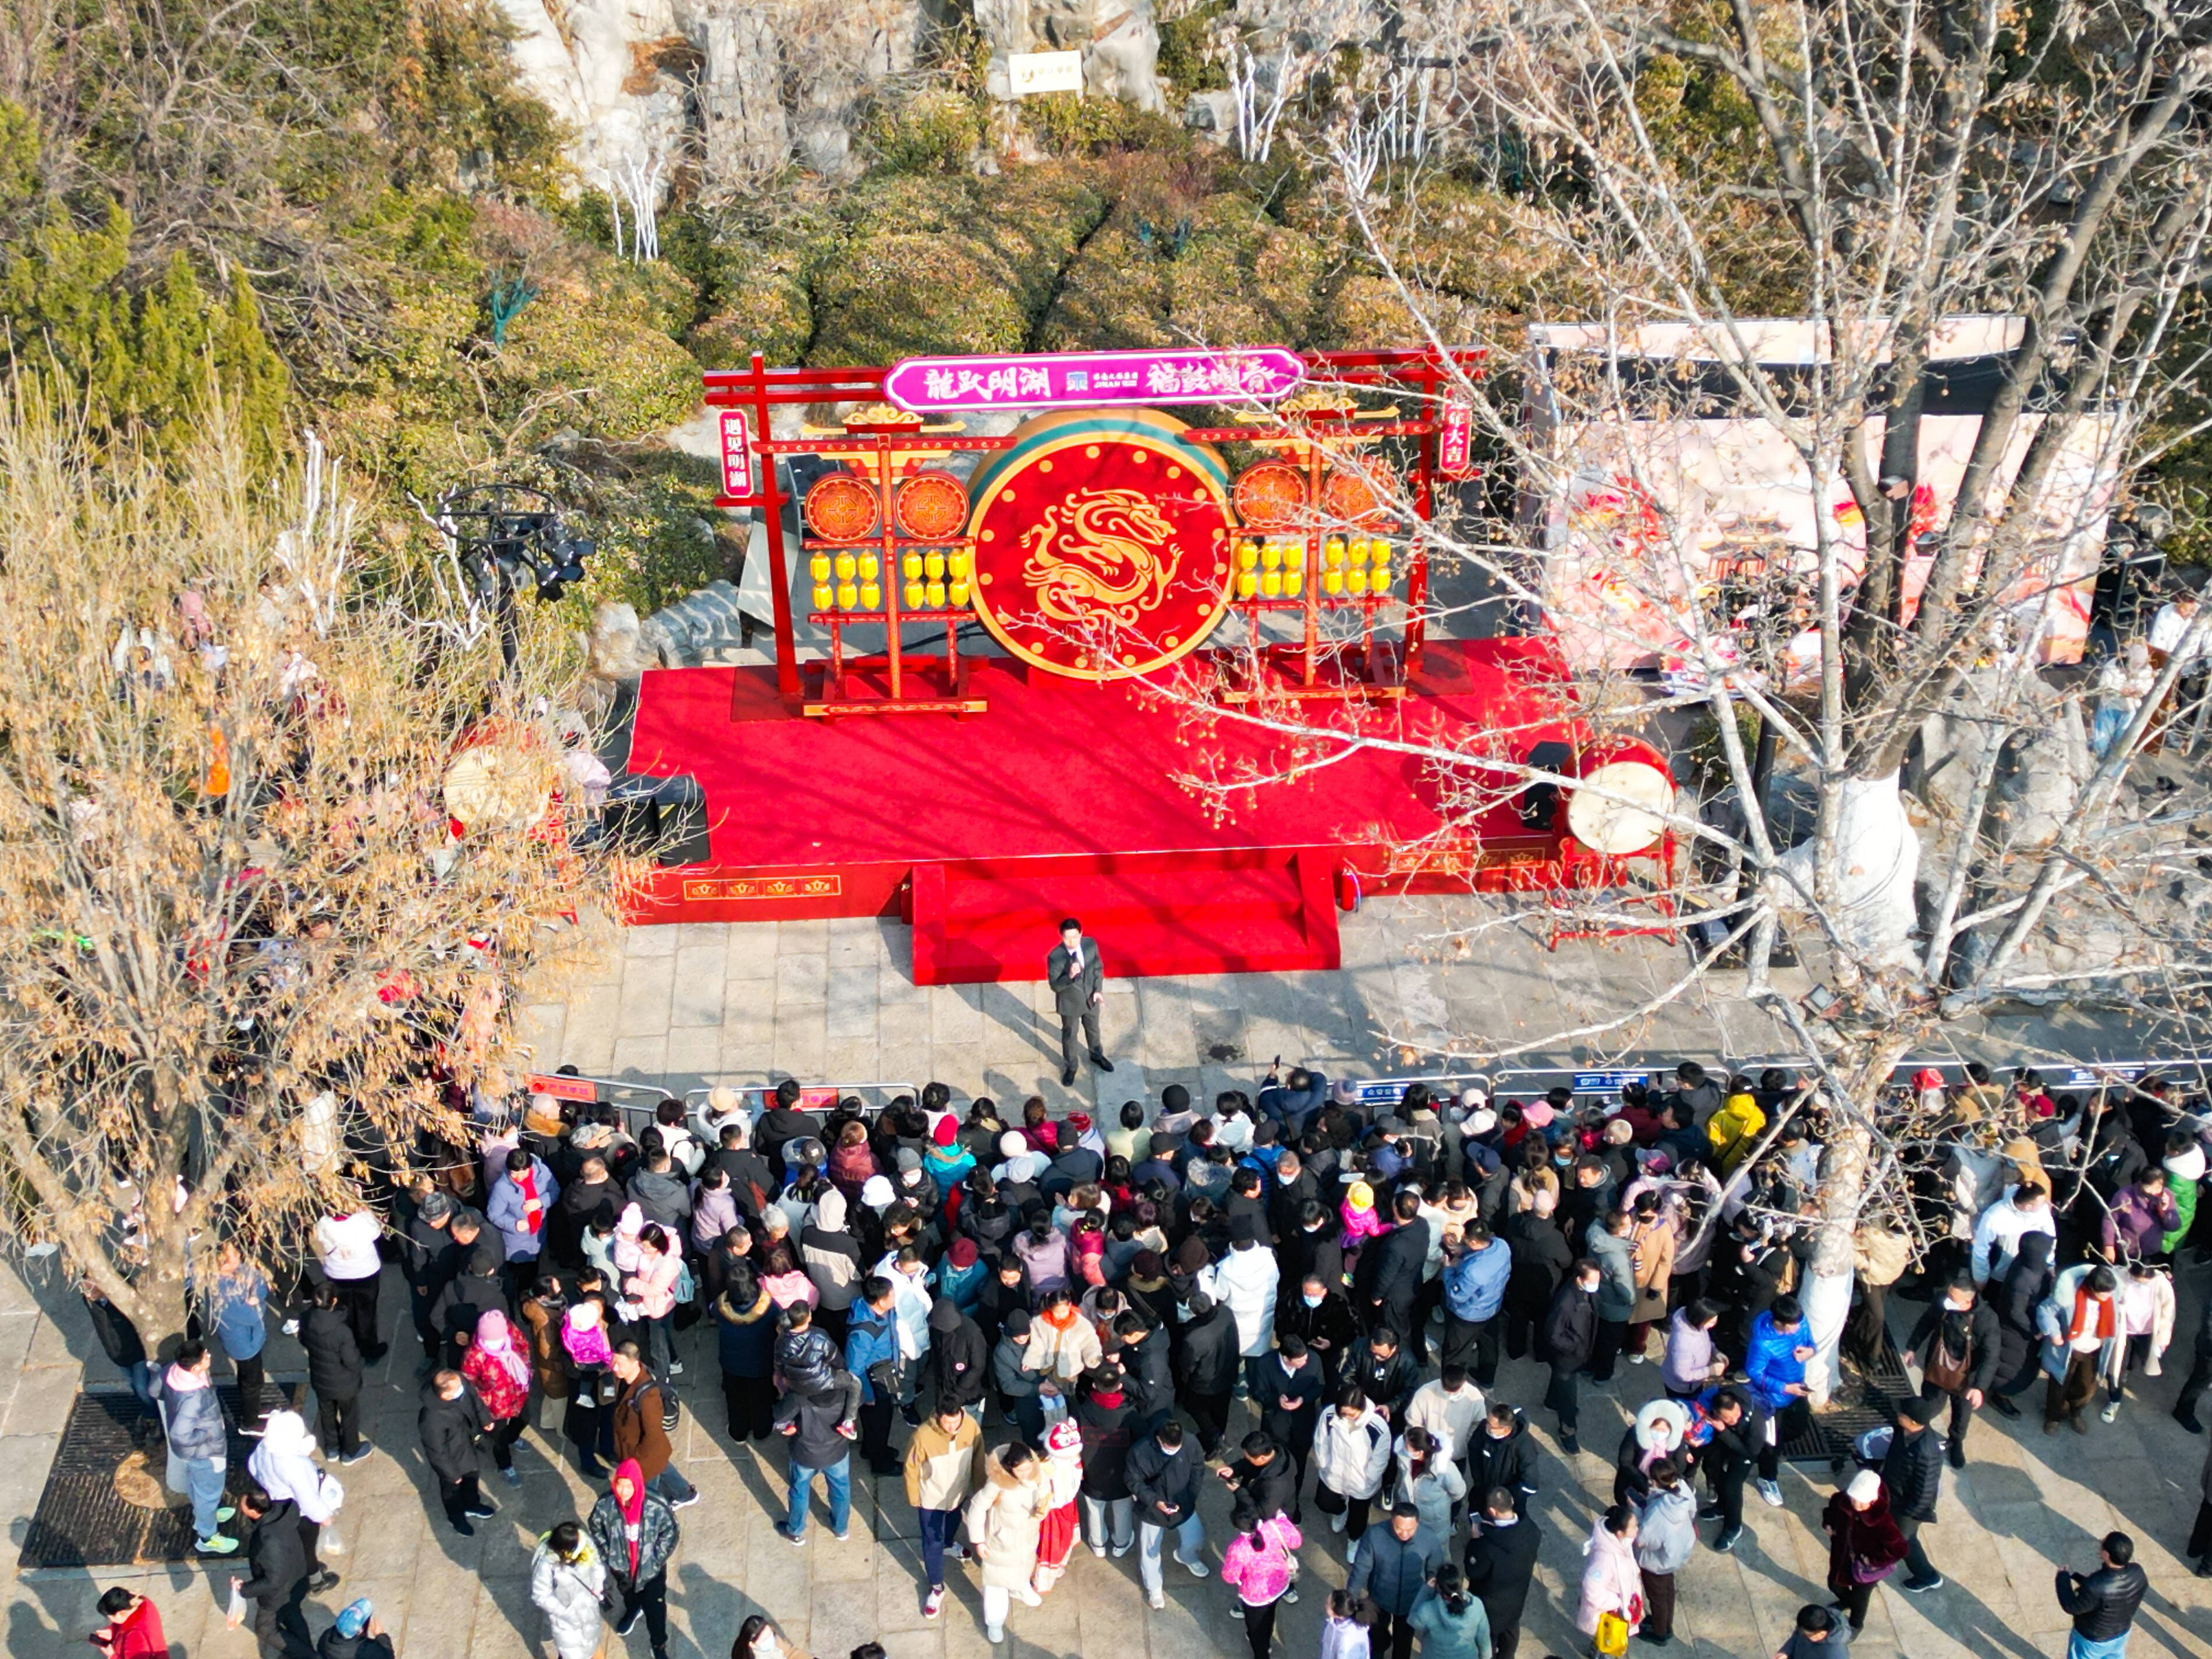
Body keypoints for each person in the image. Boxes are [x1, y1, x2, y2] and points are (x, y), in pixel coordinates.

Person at [1903, 1274, 2000, 1468]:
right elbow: (1926, 1322)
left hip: (1966, 1377)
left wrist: (1979, 1387)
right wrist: (1912, 1347)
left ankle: (1956, 1443)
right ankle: (1920, 1432)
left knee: (1961, 1414)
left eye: (1953, 1299)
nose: (1948, 1300)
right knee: (1929, 1404)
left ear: (1967, 1303)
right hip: (1938, 1366)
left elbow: (1991, 1356)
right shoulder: (1942, 1302)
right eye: (1948, 1295)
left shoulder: (1987, 1320)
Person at [586, 1459, 679, 1659]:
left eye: (629, 1485)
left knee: (656, 1611)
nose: (624, 1491)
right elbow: (595, 1527)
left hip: (651, 1572)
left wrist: (656, 1558)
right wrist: (608, 1555)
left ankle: (658, 1645)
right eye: (621, 1484)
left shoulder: (655, 1505)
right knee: (629, 1596)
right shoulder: (606, 1505)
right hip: (623, 1571)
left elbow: (671, 1531)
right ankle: (634, 1609)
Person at [155, 1340, 238, 1555]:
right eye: (206, 1356)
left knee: (198, 1485)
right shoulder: (194, 1398)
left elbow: (153, 1389)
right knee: (209, 1492)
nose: (209, 1356)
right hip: (207, 1452)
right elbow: (180, 1435)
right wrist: (206, 1434)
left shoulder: (171, 1370)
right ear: (196, 1367)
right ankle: (208, 1536)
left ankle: (206, 1514)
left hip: (194, 1454)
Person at [965, 1442, 1050, 1644]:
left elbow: (1045, 1493)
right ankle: (994, 1622)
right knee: (996, 1582)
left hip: (1027, 1537)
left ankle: (1020, 1588)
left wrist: (1043, 1508)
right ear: (1010, 1467)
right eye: (1021, 1470)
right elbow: (977, 1508)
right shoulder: (997, 1484)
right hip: (1000, 1541)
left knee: (1025, 1566)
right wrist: (979, 1541)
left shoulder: (1038, 1475)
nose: (1026, 1473)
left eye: (1029, 1468)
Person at [247, 1410, 341, 1594]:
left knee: (297, 1545)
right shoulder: (294, 1465)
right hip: (299, 1512)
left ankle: (307, 1569)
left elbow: (252, 1465)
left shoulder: (264, 1449)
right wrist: (325, 1517)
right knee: (306, 1547)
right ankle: (315, 1580)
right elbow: (309, 1499)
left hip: (277, 1505)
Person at [903, 1401, 981, 1618]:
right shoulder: (923, 1436)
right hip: (931, 1499)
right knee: (931, 1542)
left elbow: (978, 1458)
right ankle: (936, 1586)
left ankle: (949, 1544)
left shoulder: (971, 1426)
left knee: (954, 1522)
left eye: (956, 1422)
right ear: (938, 1417)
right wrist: (914, 1496)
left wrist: (980, 1489)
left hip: (958, 1493)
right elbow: (911, 1467)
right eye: (947, 1423)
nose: (952, 1427)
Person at [774, 1367, 863, 1545]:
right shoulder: (844, 1391)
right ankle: (841, 1529)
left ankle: (796, 1531)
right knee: (841, 1489)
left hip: (805, 1454)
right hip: (837, 1452)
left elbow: (779, 1417)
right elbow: (859, 1398)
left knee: (799, 1491)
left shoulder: (798, 1397)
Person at [1128, 1419, 1209, 1608]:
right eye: (1169, 1446)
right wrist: (1155, 1501)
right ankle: (1154, 1588)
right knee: (1150, 1550)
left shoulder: (1191, 1443)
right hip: (1152, 1510)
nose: (1173, 1450)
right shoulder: (1140, 1451)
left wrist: (1191, 1495)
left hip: (1183, 1504)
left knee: (1195, 1538)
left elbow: (1198, 1467)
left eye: (1177, 1447)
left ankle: (1187, 1556)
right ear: (1159, 1439)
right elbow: (1133, 1481)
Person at [1348, 1502, 1443, 1659]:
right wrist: (1350, 1600)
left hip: (1411, 1603)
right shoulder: (1375, 1535)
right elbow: (1361, 1569)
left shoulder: (1429, 1539)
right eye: (1399, 1528)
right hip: (1379, 1600)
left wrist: (1434, 1602)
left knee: (1403, 1645)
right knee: (1376, 1642)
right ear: (1392, 1521)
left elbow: (1434, 1572)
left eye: (1410, 1529)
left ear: (1417, 1524)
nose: (1404, 1534)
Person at [229, 1484, 314, 1659]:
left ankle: (309, 1656)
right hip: (297, 1579)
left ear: (253, 1512)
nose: (241, 1506)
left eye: (244, 1504)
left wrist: (245, 1589)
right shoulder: (285, 1512)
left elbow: (273, 1580)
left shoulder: (267, 1542)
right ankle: (305, 1652)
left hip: (279, 1594)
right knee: (293, 1615)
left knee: (265, 1629)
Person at [1743, 1295, 1814, 1504]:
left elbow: (1810, 1341)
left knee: (1800, 1427)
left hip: (1798, 1388)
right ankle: (1767, 1478)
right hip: (1772, 1399)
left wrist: (1810, 1350)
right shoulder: (1763, 1343)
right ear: (1779, 1323)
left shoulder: (1799, 1322)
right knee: (1771, 1444)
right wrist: (1784, 1388)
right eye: (1792, 1326)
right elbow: (1755, 1372)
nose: (1797, 1329)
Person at [609, 1341, 698, 1506]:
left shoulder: (648, 1396)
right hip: (651, 1454)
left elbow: (653, 1434)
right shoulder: (624, 1379)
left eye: (620, 1364)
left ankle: (655, 1514)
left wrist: (637, 1460)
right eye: (613, 1362)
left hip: (644, 1459)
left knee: (647, 1496)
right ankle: (685, 1494)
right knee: (662, 1467)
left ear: (635, 1363)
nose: (615, 1368)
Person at [1821, 1469, 1906, 1635]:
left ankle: (1856, 1625)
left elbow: (1899, 1550)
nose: (1856, 1506)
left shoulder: (1884, 1522)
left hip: (1866, 1569)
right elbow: (1830, 1511)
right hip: (1842, 1555)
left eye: (1862, 1503)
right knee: (1835, 1585)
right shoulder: (1842, 1500)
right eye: (1854, 1500)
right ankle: (1846, 1602)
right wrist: (1829, 1524)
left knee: (1860, 1598)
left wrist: (1871, 1560)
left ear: (1874, 1500)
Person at [1879, 1391, 1948, 1594]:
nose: (1897, 1415)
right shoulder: (1904, 1432)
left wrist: (1907, 1515)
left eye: (1902, 1414)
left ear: (1912, 1422)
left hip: (1908, 1508)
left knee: (1905, 1540)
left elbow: (1925, 1491)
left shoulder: (1927, 1451)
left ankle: (1927, 1576)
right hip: (1893, 1493)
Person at [1220, 1498, 1302, 1659]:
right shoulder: (1273, 1527)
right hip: (1279, 1584)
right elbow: (1296, 1541)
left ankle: (1262, 1653)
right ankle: (1266, 1640)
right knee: (1270, 1615)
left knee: (1255, 1628)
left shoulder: (1238, 1548)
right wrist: (1281, 1516)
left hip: (1255, 1596)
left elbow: (1229, 1576)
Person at [1464, 1486, 1541, 1659]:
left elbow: (1473, 1571)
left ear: (1491, 1511)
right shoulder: (1532, 1532)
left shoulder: (1487, 1546)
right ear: (1512, 1501)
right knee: (1510, 1635)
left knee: (1486, 1643)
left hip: (1489, 1606)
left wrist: (1474, 1543)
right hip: (1516, 1599)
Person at [419, 1369, 498, 1536]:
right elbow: (436, 1451)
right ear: (445, 1396)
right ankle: (456, 1518)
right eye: (458, 1389)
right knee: (452, 1490)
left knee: (472, 1476)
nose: (463, 1388)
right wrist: (451, 1474)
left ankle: (472, 1505)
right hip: (452, 1457)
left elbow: (474, 1398)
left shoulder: (458, 1382)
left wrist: (485, 1419)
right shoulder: (431, 1418)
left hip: (468, 1445)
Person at [1314, 1385, 1392, 1547]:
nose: (1347, 1416)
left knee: (1358, 1518)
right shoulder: (1329, 1415)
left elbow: (1380, 1458)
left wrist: (1369, 1479)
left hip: (1361, 1480)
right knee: (1325, 1502)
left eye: (1352, 1413)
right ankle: (1341, 1511)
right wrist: (1323, 1462)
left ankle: (1354, 1540)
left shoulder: (1377, 1427)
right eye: (1344, 1413)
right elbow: (1321, 1440)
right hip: (1334, 1472)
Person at [1630, 1458, 1695, 1646]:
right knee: (1667, 1591)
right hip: (1677, 1553)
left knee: (1657, 1596)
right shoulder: (1682, 1489)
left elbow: (1643, 1540)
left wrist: (1637, 1510)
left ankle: (1660, 1632)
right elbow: (1693, 1511)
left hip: (1656, 1562)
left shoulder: (1659, 1512)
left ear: (1655, 1482)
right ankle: (1666, 1623)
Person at [312, 1208, 388, 1364]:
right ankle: (369, 1350)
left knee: (345, 1312)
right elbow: (376, 1233)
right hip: (365, 1272)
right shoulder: (363, 1219)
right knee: (367, 1312)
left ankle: (350, 1346)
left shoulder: (324, 1223)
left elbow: (320, 1241)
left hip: (338, 1274)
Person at [2055, 1532, 2147, 1659]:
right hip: (2121, 1633)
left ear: (2106, 1555)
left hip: (2093, 1640)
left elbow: (2071, 1606)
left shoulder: (2095, 1586)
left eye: (2102, 1544)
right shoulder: (2138, 1573)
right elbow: (2108, 1594)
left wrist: (2062, 1577)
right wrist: (2079, 1578)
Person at [1047, 916, 1112, 1086]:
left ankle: (1096, 1055)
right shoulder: (1056, 957)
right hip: (1070, 1004)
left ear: (1081, 934)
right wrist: (1069, 976)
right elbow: (1055, 986)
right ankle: (1071, 1066)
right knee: (1070, 1036)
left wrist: (1097, 990)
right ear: (1061, 936)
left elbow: (1097, 968)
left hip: (1091, 998)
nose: (1072, 942)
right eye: (1067, 937)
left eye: (1075, 937)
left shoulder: (1090, 945)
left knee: (1093, 1030)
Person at [1545, 1259, 1601, 1454]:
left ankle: (1551, 1401)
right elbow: (1553, 1335)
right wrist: (1574, 1348)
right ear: (1579, 1279)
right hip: (1567, 1357)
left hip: (1579, 1352)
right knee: (1569, 1398)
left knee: (1560, 1383)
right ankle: (1567, 1431)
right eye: (1593, 1280)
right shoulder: (1565, 1303)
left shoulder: (1585, 1294)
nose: (1596, 1285)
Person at [529, 1521, 607, 1659]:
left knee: (593, 1644)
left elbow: (595, 1561)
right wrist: (566, 1613)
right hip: (567, 1623)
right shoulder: (547, 1565)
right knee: (572, 1653)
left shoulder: (582, 1540)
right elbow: (541, 1595)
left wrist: (597, 1585)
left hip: (589, 1610)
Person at [1576, 1504, 1643, 1656]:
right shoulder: (1605, 1560)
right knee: (1607, 1639)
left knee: (1610, 1638)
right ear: (1620, 1533)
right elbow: (1592, 1588)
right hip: (1610, 1611)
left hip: (1622, 1605)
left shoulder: (1621, 1543)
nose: (1637, 1529)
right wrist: (1617, 1604)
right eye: (1634, 1527)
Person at [1409, 1564, 1493, 1659]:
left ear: (1438, 1586)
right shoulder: (1476, 1605)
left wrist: (1426, 1589)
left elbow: (1412, 1620)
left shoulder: (1428, 1610)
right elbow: (1484, 1639)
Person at [88, 1586, 166, 1659]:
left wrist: (112, 1656)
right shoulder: (141, 1602)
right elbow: (124, 1620)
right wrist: (113, 1630)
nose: (110, 1621)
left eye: (110, 1618)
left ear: (120, 1613)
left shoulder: (136, 1636)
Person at [316, 1598, 395, 1659]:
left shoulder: (326, 1637)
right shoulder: (369, 1650)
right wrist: (381, 1636)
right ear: (359, 1631)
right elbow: (387, 1656)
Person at [1773, 1604, 1849, 1659]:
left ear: (1821, 1634)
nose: (1802, 1634)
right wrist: (1785, 1652)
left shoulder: (1835, 1655)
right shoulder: (1810, 1626)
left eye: (1806, 1634)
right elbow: (1797, 1636)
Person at [1322, 1589, 1377, 1659]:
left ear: (1335, 1611)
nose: (1325, 1605)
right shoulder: (1334, 1622)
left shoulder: (1347, 1639)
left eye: (1327, 1604)